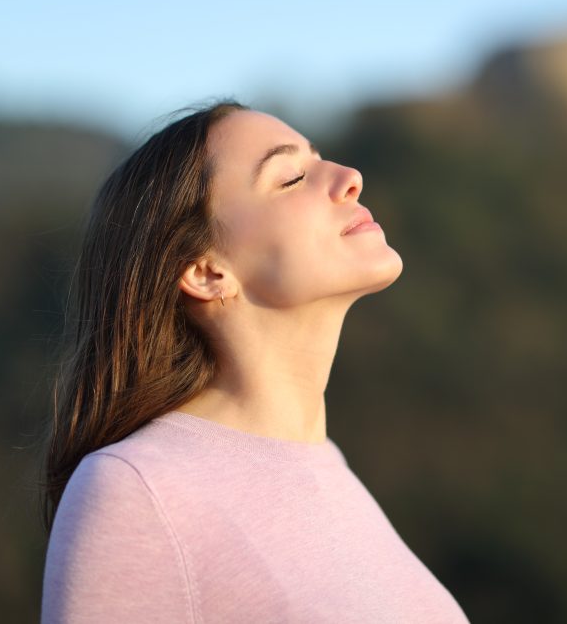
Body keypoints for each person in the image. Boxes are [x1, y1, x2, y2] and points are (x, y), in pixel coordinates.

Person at [39, 100, 470, 622]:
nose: (349, 177)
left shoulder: (331, 472)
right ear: (205, 271)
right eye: (290, 178)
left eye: (319, 159)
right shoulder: (138, 490)